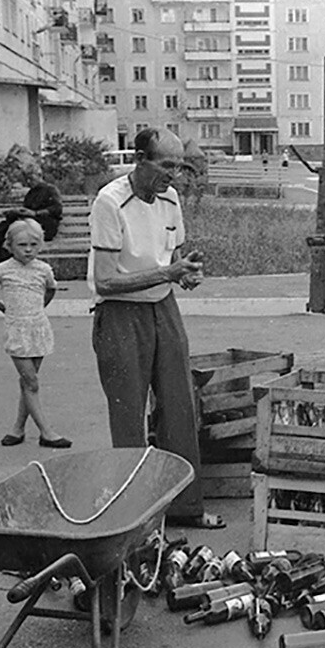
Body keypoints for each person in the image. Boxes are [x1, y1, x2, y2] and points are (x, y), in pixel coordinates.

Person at [88, 127, 222, 529]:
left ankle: (186, 507)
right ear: (140, 159)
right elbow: (106, 280)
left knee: (180, 405)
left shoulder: (170, 199)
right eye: (166, 166)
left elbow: (173, 256)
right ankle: (136, 517)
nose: (173, 175)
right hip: (119, 315)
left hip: (162, 307)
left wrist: (185, 274)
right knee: (128, 416)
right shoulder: (110, 202)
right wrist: (167, 271)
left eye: (179, 167)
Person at [0, 218, 71, 449]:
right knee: (31, 382)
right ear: (10, 246)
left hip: (38, 328)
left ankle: (17, 429)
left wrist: (38, 309)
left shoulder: (43, 269)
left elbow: (51, 290)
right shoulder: (2, 269)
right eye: (22, 245)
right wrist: (4, 308)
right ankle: (47, 432)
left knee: (28, 382)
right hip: (17, 329)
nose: (28, 250)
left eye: (33, 245)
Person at [0, 183, 65, 264]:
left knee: (13, 233)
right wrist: (18, 212)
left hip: (45, 228)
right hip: (28, 226)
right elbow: (27, 208)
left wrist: (35, 213)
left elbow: (57, 209)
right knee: (7, 225)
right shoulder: (32, 192)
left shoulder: (51, 190)